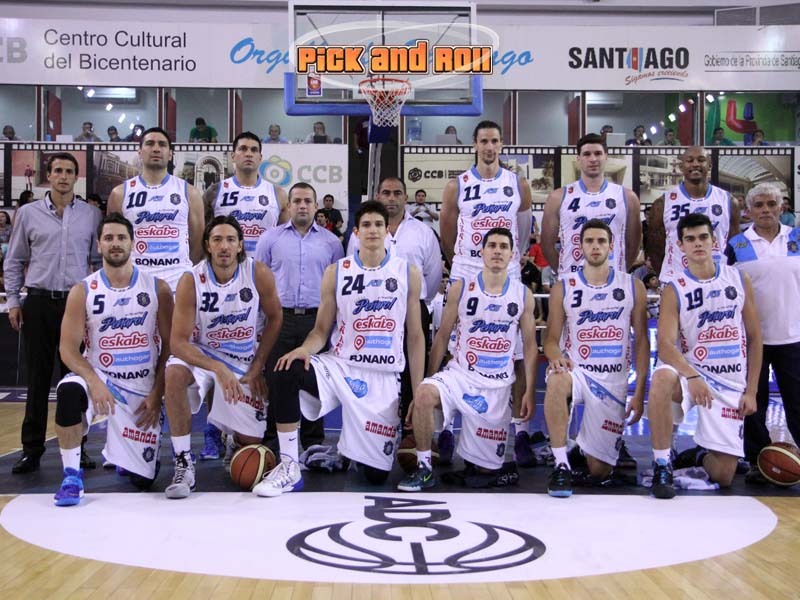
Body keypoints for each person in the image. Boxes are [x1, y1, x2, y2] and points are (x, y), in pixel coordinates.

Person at [253, 201, 424, 496]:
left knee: (374, 476)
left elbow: (416, 336)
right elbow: (321, 330)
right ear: (356, 232)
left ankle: (348, 451)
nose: (372, 230)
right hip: (341, 366)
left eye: (378, 225)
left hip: (382, 377)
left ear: (387, 231)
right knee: (285, 368)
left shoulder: (407, 272)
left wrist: (418, 389)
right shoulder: (336, 272)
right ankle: (290, 465)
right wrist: (305, 349)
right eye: (366, 225)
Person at [397, 227, 538, 491]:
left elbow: (529, 348)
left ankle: (483, 458)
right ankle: (424, 469)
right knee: (425, 395)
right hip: (460, 374)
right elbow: (441, 338)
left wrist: (529, 390)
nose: (497, 251)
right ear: (482, 252)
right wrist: (426, 380)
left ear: (512, 255)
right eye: (492, 246)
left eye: (503, 247)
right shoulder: (461, 289)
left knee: (486, 471)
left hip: (496, 385)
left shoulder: (522, 295)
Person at [52, 213, 173, 505]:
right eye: (108, 238)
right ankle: (71, 476)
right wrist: (93, 381)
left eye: (121, 237)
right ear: (99, 245)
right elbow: (67, 349)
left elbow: (170, 347)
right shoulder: (83, 290)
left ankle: (124, 455)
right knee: (69, 391)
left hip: (141, 388)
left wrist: (157, 394)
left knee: (143, 480)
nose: (115, 243)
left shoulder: (157, 288)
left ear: (133, 243)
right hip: (100, 379)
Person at [163, 216, 283, 499]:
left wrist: (258, 366)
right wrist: (217, 368)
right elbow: (178, 343)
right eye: (217, 240)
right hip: (203, 355)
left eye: (230, 240)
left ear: (240, 245)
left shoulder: (257, 273)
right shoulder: (191, 279)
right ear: (208, 245)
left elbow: (276, 318)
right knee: (174, 373)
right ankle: (183, 461)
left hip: (243, 359)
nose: (224, 246)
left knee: (252, 446)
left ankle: (234, 439)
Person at [647, 213, 761, 498]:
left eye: (702, 237)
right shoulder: (675, 289)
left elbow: (755, 338)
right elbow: (665, 346)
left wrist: (752, 391)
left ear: (714, 241)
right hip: (691, 373)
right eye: (690, 239)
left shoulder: (738, 278)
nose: (697, 243)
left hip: (730, 381)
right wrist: (692, 376)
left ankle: (698, 456)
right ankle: (662, 463)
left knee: (724, 476)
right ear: (681, 245)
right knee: (661, 378)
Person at [4, 152, 103, 474]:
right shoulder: (28, 214)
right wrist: (13, 302)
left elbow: (97, 262)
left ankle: (79, 447)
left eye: (69, 171)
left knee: (75, 379)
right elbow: (15, 260)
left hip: (76, 305)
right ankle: (31, 450)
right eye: (58, 170)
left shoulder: (91, 215)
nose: (63, 176)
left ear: (76, 177)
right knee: (37, 378)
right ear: (49, 175)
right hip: (38, 302)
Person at [542, 219, 649, 497]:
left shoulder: (633, 286)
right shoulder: (564, 287)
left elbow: (641, 342)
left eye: (601, 241)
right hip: (578, 371)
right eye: (589, 241)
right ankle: (561, 464)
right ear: (580, 247)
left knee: (599, 471)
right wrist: (556, 357)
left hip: (613, 380)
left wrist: (639, 392)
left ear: (612, 246)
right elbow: (550, 339)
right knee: (557, 380)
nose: (595, 246)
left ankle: (582, 449)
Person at [255, 182, 344, 456]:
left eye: (307, 201)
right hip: (279, 320)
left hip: (317, 322)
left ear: (316, 206)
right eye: (297, 201)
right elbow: (258, 284)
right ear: (289, 206)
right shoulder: (270, 239)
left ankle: (313, 441)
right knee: (276, 379)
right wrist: (259, 325)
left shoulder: (332, 242)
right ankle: (274, 442)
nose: (302, 205)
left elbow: (338, 287)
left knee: (313, 379)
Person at [346, 177, 443, 428]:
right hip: (374, 309)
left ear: (406, 198)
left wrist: (419, 301)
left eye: (397, 193)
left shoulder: (424, 232)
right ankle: (375, 426)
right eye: (386, 193)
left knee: (412, 370)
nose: (391, 198)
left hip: (414, 307)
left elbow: (433, 276)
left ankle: (411, 430)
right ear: (378, 196)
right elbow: (352, 269)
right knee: (375, 370)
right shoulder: (363, 231)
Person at [726, 183, 800, 484]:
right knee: (752, 404)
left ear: (782, 207)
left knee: (797, 403)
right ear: (749, 211)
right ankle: (758, 460)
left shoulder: (797, 237)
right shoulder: (737, 244)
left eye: (771, 204)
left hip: (793, 337)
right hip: (750, 340)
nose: (766, 210)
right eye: (759, 205)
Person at [107, 127, 205, 292]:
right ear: (140, 151)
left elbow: (197, 242)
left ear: (170, 153)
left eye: (162, 144)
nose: (156, 149)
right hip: (134, 284)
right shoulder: (120, 193)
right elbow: (112, 241)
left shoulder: (190, 193)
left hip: (178, 285)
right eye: (150, 144)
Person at [441, 120, 532, 283]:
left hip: (507, 269)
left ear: (501, 144)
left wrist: (513, 256)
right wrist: (461, 261)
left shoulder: (519, 184)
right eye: (484, 141)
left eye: (494, 141)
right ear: (475, 145)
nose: (489, 147)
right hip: (466, 269)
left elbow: (524, 232)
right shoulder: (456, 186)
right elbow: (447, 237)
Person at [541, 133, 641, 277]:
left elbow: (634, 245)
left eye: (598, 153)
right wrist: (565, 273)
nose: (593, 159)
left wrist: (619, 272)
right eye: (587, 154)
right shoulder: (558, 197)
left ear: (606, 157)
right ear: (578, 159)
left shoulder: (627, 197)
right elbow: (547, 246)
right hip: (572, 281)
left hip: (613, 281)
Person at [646, 146, 739, 284]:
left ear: (710, 165)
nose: (695, 164)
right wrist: (668, 278)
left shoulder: (729, 201)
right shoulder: (663, 203)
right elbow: (655, 249)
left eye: (701, 160)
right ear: (681, 167)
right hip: (676, 281)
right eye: (690, 160)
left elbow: (734, 246)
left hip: (718, 281)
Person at [203, 131, 288, 256]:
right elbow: (203, 236)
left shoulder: (278, 194)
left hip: (263, 265)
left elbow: (285, 240)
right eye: (243, 149)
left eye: (254, 150)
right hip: (226, 265)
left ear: (260, 158)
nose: (248, 154)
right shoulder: (214, 191)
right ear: (233, 156)